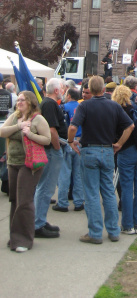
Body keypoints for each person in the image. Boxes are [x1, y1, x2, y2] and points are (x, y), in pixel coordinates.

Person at [68, 75, 135, 244]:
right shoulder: (113, 106)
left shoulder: (84, 106)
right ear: (104, 89)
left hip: (89, 150)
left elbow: (73, 127)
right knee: (108, 192)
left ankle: (95, 232)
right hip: (107, 151)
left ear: (89, 90)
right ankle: (113, 230)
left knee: (91, 193)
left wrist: (70, 142)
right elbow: (130, 126)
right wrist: (119, 143)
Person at [0, 91, 51, 252]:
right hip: (12, 162)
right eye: (19, 100)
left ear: (30, 102)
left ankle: (23, 240)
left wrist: (30, 134)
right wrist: (19, 126)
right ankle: (15, 236)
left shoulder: (38, 119)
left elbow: (47, 139)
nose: (19, 102)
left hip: (30, 164)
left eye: (23, 100)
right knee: (15, 200)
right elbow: (2, 132)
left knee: (24, 200)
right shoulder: (15, 117)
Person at [112, 85, 137, 235]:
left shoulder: (117, 112)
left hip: (125, 151)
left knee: (127, 188)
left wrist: (118, 143)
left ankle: (128, 225)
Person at [34, 78, 67, 239]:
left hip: (52, 149)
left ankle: (40, 219)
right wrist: (56, 147)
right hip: (51, 151)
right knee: (46, 187)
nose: (63, 90)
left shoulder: (48, 103)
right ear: (56, 90)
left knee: (46, 188)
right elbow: (52, 130)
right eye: (61, 87)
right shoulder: (49, 104)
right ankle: (37, 223)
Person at [53, 87, 85, 212]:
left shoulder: (64, 107)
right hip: (80, 141)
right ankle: (78, 202)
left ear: (69, 96)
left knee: (64, 173)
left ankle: (62, 202)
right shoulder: (82, 107)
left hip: (67, 141)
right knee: (78, 174)